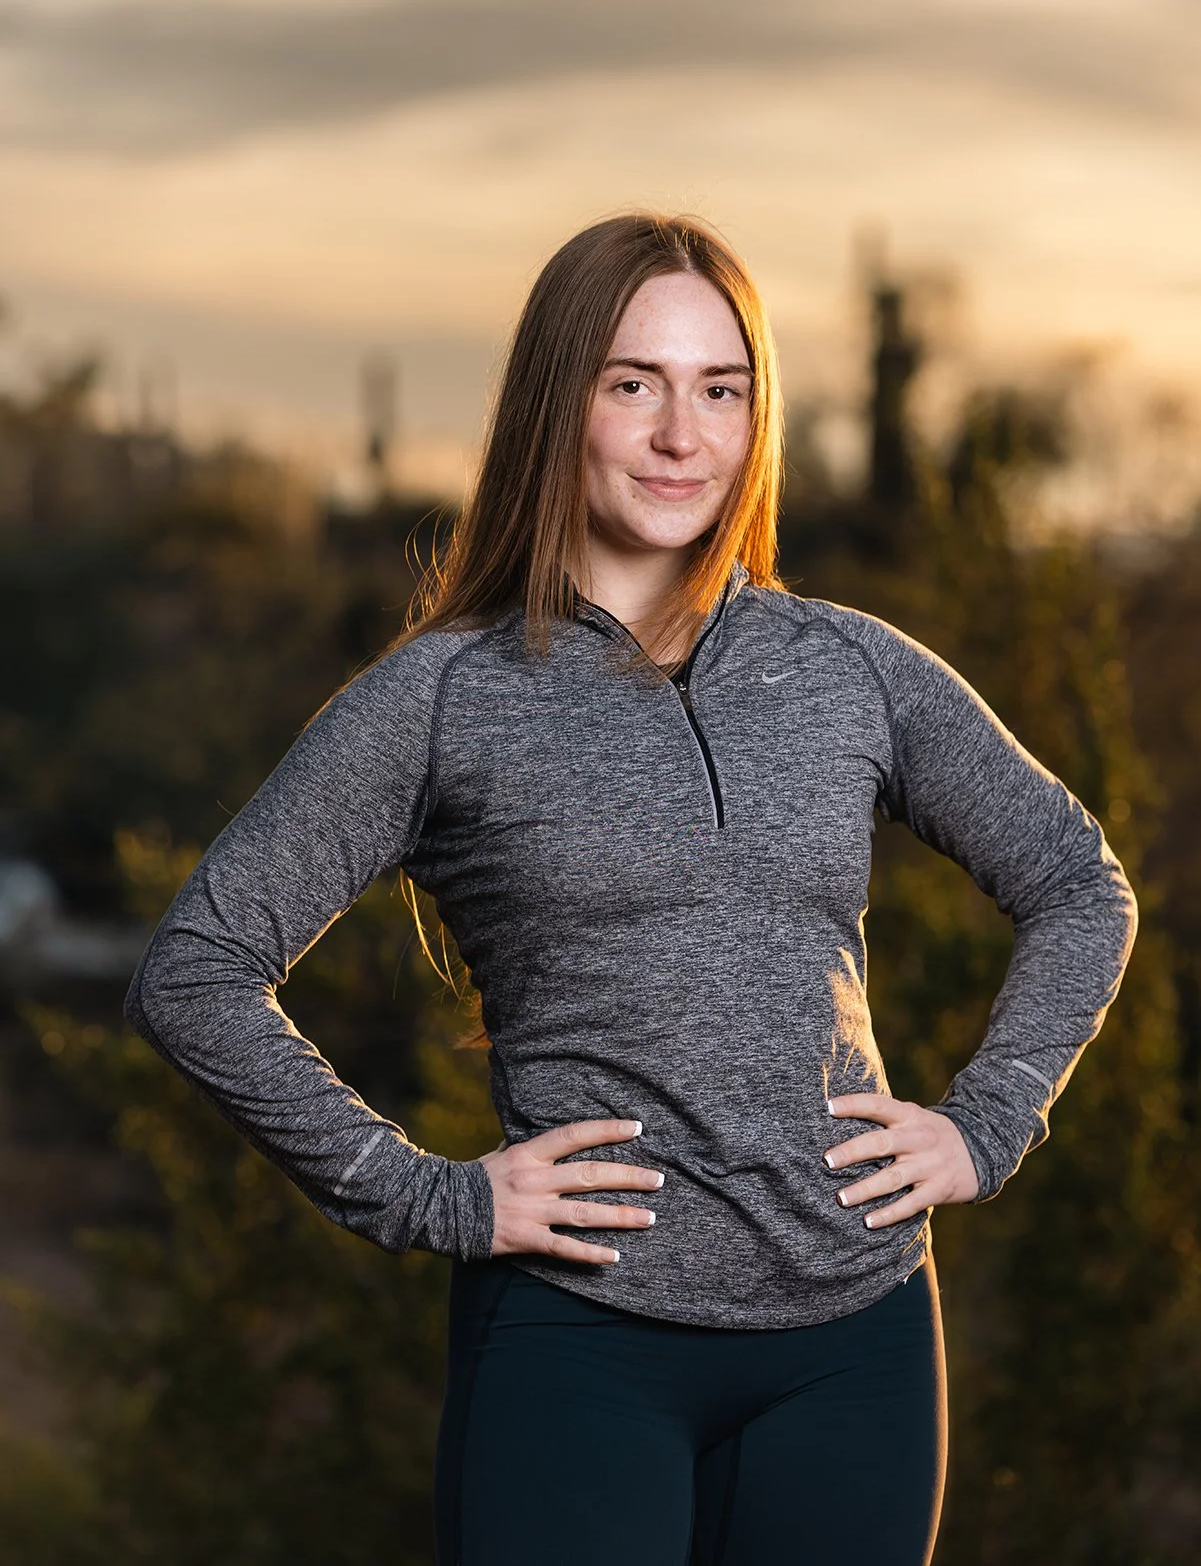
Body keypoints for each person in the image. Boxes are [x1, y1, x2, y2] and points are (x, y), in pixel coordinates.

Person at [124, 212, 1139, 1566]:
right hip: (577, 1350)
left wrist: (989, 1122)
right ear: (562, 405)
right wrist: (432, 1195)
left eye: (722, 390)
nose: (682, 435)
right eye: (633, 384)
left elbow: (1080, 882)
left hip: (859, 1344)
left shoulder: (853, 668)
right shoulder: (443, 698)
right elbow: (194, 971)